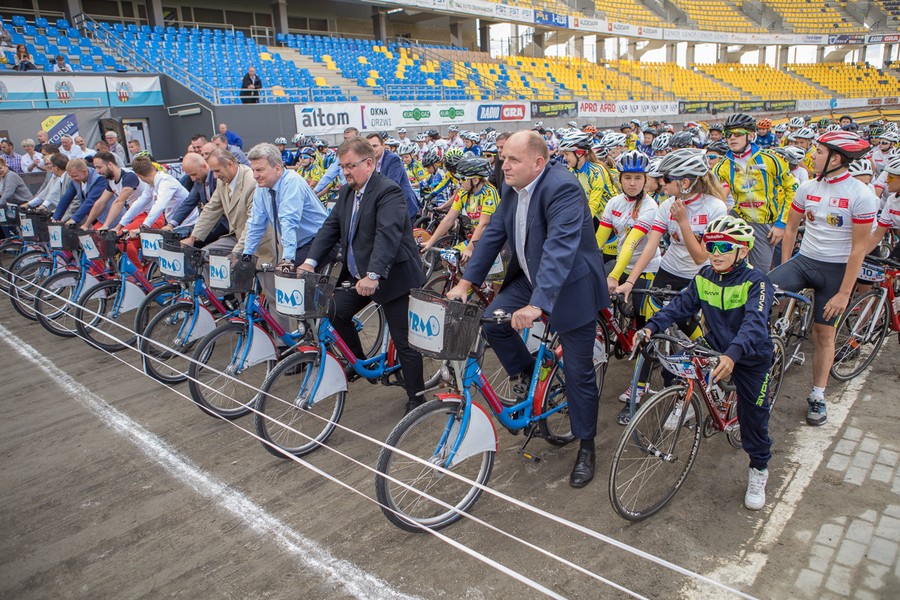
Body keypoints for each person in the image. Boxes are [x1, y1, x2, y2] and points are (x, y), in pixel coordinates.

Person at [447, 131, 610, 488]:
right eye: (503, 157)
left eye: (512, 160)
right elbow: (493, 236)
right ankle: (526, 377)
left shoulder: (563, 189)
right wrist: (464, 284)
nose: (503, 165)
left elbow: (559, 250)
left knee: (580, 372)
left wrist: (538, 304)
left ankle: (586, 445)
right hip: (529, 275)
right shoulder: (511, 184)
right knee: (492, 322)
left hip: (569, 285)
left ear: (538, 163)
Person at [635, 215, 774, 510]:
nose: (716, 253)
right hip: (718, 346)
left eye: (725, 246)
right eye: (711, 245)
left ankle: (759, 468)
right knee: (684, 359)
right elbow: (679, 307)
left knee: (754, 418)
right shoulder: (704, 276)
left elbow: (755, 324)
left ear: (743, 251)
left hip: (749, 355)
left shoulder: (757, 282)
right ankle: (689, 401)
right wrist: (651, 327)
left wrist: (734, 354)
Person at [300, 137, 425, 413]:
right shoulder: (347, 193)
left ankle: (417, 397)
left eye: (350, 166)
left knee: (404, 341)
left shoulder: (388, 191)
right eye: (342, 167)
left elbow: (387, 235)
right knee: (333, 310)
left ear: (368, 164)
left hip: (394, 277)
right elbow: (329, 229)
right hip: (359, 276)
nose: (345, 172)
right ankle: (357, 361)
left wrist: (374, 273)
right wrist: (309, 262)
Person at [769, 131, 878, 426]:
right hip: (805, 260)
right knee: (762, 291)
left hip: (836, 270)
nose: (812, 156)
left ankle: (817, 395)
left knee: (823, 335)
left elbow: (858, 249)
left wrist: (844, 294)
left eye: (817, 152)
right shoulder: (807, 187)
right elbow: (790, 229)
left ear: (836, 158)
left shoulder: (861, 195)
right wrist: (786, 266)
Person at [713, 113, 797, 271]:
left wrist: (781, 224)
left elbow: (792, 190)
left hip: (765, 224)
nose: (732, 138)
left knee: (760, 274)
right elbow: (711, 195)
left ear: (751, 135)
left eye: (738, 134)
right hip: (738, 217)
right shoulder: (721, 166)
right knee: (726, 266)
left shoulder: (771, 159)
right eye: (728, 134)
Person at [242, 143, 328, 270]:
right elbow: (256, 223)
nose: (255, 176)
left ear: (277, 168)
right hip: (300, 242)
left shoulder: (292, 181)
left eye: (259, 170)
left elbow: (289, 220)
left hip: (319, 240)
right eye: (253, 170)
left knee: (288, 277)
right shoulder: (262, 187)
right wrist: (246, 255)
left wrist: (287, 260)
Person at [182, 148, 275, 265]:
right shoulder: (224, 180)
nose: (215, 176)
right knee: (202, 256)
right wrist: (193, 237)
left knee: (261, 279)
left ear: (230, 164)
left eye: (217, 171)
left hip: (259, 242)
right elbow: (211, 209)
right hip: (237, 236)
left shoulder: (251, 182)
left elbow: (253, 224)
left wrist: (236, 253)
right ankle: (212, 284)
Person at [419, 156, 499, 262]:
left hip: (492, 239)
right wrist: (431, 242)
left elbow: (483, 224)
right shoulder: (463, 193)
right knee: (447, 261)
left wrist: (470, 249)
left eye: (462, 179)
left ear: (475, 180)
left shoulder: (489, 193)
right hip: (476, 238)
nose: (459, 182)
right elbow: (449, 219)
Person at [119, 156, 195, 241]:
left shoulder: (165, 182)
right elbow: (139, 203)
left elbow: (160, 205)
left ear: (138, 175)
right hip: (176, 226)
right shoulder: (151, 184)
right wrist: (120, 225)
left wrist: (144, 227)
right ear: (153, 167)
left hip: (188, 225)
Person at [366, 133, 419, 219]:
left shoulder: (393, 159)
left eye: (375, 146)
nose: (372, 149)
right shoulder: (370, 162)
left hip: (403, 207)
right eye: (369, 147)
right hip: (386, 207)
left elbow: (391, 185)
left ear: (383, 145)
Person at [168, 152, 220, 238]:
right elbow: (188, 203)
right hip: (210, 223)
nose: (193, 179)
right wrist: (171, 224)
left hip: (223, 225)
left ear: (204, 166)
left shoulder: (217, 178)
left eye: (194, 174)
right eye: (189, 176)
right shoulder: (199, 182)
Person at [53, 159, 109, 225]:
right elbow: (66, 198)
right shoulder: (75, 181)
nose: (72, 179)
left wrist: (74, 219)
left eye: (75, 176)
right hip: (94, 219)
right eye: (70, 176)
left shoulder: (99, 179)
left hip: (107, 218)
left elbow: (90, 201)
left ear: (84, 172)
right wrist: (55, 218)